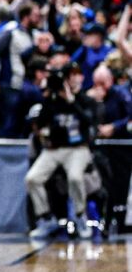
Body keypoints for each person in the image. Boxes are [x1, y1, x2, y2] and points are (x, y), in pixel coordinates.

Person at [25, 62, 96, 240]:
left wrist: (72, 101)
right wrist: (48, 97)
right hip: (54, 149)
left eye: (76, 74)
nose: (73, 78)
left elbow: (90, 121)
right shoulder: (52, 100)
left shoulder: (85, 99)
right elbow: (39, 122)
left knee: (74, 177)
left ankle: (80, 216)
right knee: (32, 178)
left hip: (78, 149)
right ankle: (46, 218)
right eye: (69, 75)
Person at [0, 1, 41, 138]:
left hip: (28, 86)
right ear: (26, 16)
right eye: (35, 15)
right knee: (8, 124)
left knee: (22, 125)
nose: (38, 18)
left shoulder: (34, 35)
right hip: (10, 85)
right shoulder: (11, 33)